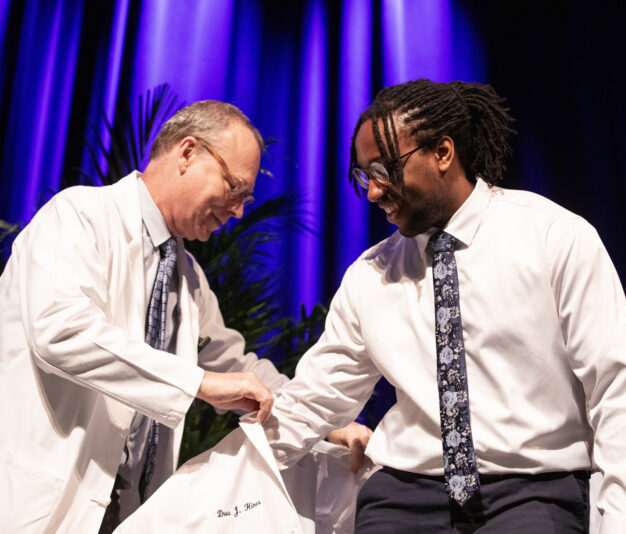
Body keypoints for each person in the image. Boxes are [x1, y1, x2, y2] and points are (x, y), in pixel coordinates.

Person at [265, 80, 626, 533]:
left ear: (443, 153)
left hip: (532, 489)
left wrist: (622, 523)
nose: (373, 191)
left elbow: (616, 388)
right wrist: (211, 486)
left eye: (382, 169)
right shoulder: (371, 275)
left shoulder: (553, 237)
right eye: (363, 176)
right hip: (405, 494)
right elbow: (315, 400)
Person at [0, 100, 369, 533]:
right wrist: (198, 383)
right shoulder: (78, 216)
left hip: (127, 510)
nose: (238, 212)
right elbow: (60, 332)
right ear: (188, 152)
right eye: (235, 189)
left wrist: (324, 421)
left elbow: (236, 366)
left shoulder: (186, 274)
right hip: (46, 498)